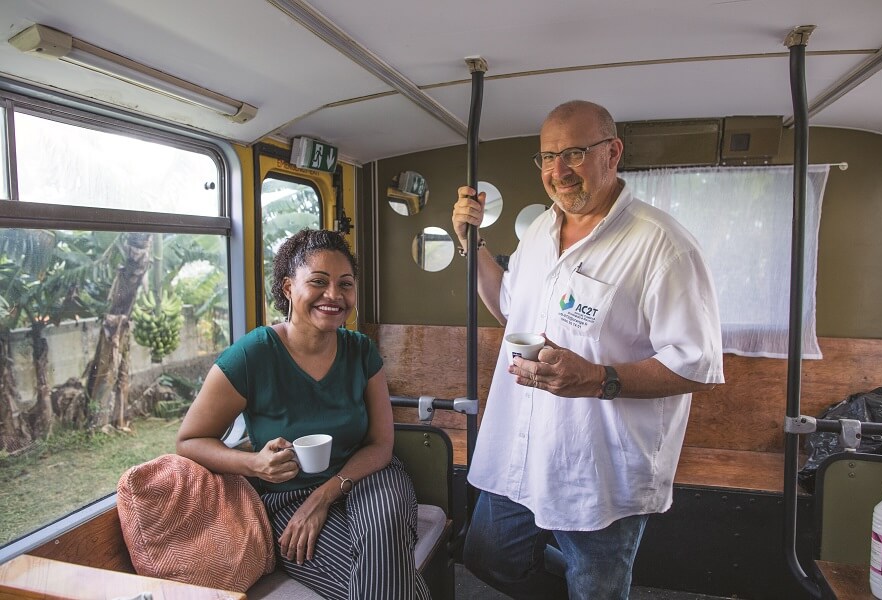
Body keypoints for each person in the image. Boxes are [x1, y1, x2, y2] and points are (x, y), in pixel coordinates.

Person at [451, 100, 725, 600]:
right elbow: (512, 308)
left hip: (598, 467)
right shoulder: (539, 232)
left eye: (574, 154)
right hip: (521, 446)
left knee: (596, 588)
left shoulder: (662, 244)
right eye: (547, 157)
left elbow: (697, 366)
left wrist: (598, 379)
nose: (558, 172)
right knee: (488, 557)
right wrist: (474, 243)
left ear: (613, 152)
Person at [176, 229, 431, 600]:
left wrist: (325, 495)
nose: (334, 295)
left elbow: (381, 445)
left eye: (345, 284)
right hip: (290, 499)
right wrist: (255, 464)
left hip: (370, 478)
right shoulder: (252, 356)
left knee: (385, 526)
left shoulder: (361, 352)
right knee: (386, 586)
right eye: (318, 282)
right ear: (287, 288)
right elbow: (189, 441)